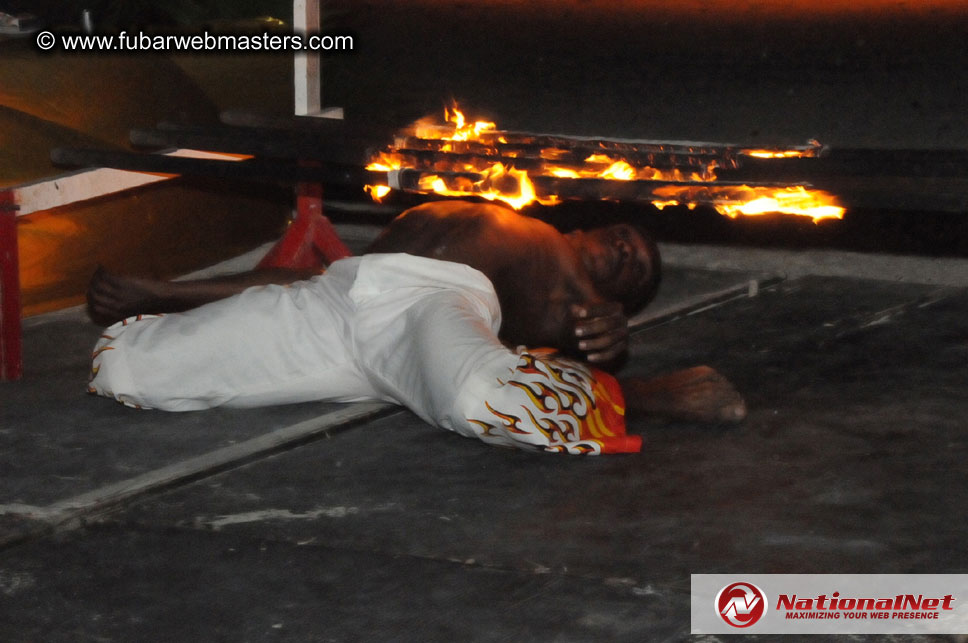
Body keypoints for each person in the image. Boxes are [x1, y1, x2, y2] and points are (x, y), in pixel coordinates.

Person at [88, 200, 744, 455]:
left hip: (437, 315)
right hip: (341, 301)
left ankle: (656, 397)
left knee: (479, 397)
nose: (633, 253)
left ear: (616, 302)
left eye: (637, 271)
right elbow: (303, 282)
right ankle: (405, 379)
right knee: (120, 363)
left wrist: (612, 347)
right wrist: (166, 293)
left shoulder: (577, 303)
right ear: (588, 226)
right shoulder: (523, 217)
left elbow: (595, 337)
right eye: (629, 238)